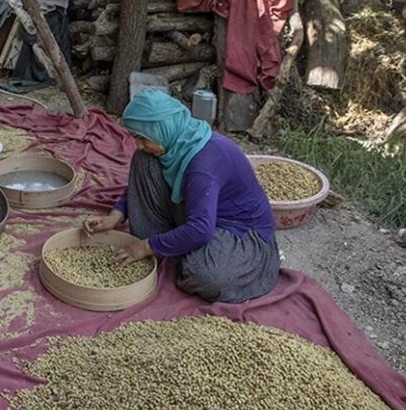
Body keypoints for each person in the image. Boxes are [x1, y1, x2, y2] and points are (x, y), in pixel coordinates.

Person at [84, 90, 279, 303]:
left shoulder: (202, 165)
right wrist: (115, 216)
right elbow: (138, 184)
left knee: (205, 275)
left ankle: (171, 245)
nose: (138, 145)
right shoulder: (177, 142)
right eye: (136, 137)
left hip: (239, 232)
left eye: (143, 138)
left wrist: (145, 247)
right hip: (198, 211)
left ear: (163, 129)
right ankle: (171, 243)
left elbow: (201, 230)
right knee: (144, 160)